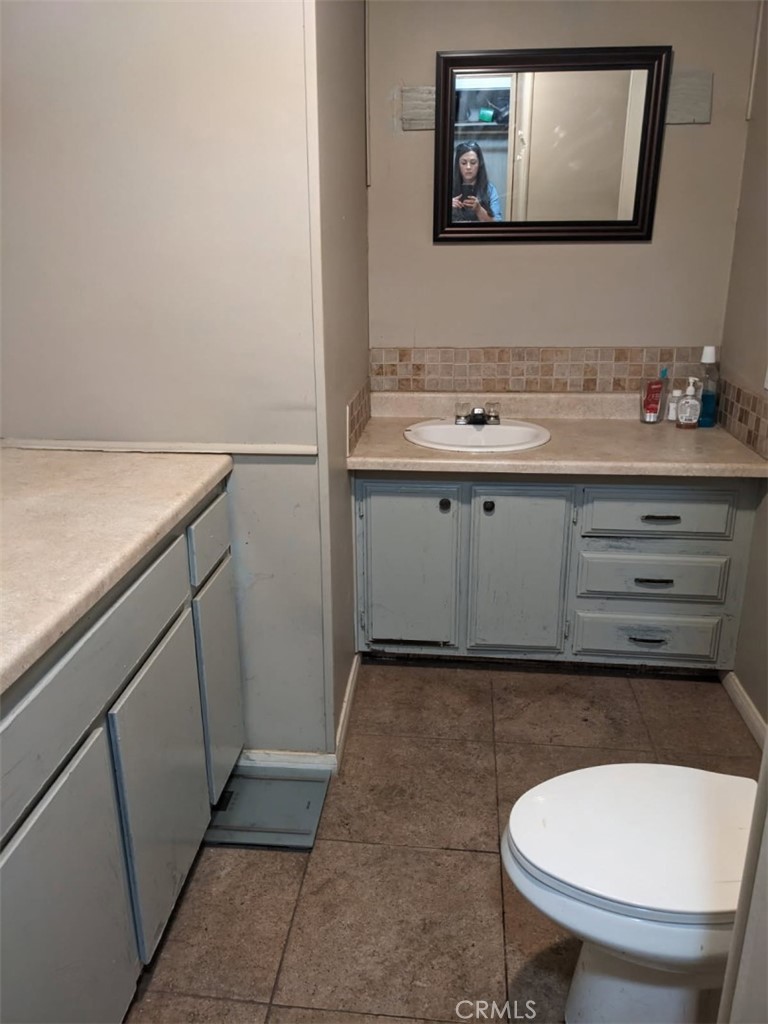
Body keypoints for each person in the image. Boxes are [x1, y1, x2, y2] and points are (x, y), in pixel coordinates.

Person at [451, 141, 502, 222]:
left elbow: (498, 224)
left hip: (481, 234)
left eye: (473, 162)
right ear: (458, 165)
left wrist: (479, 210)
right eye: (463, 163)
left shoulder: (489, 189)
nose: (468, 167)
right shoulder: (448, 188)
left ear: (479, 164)